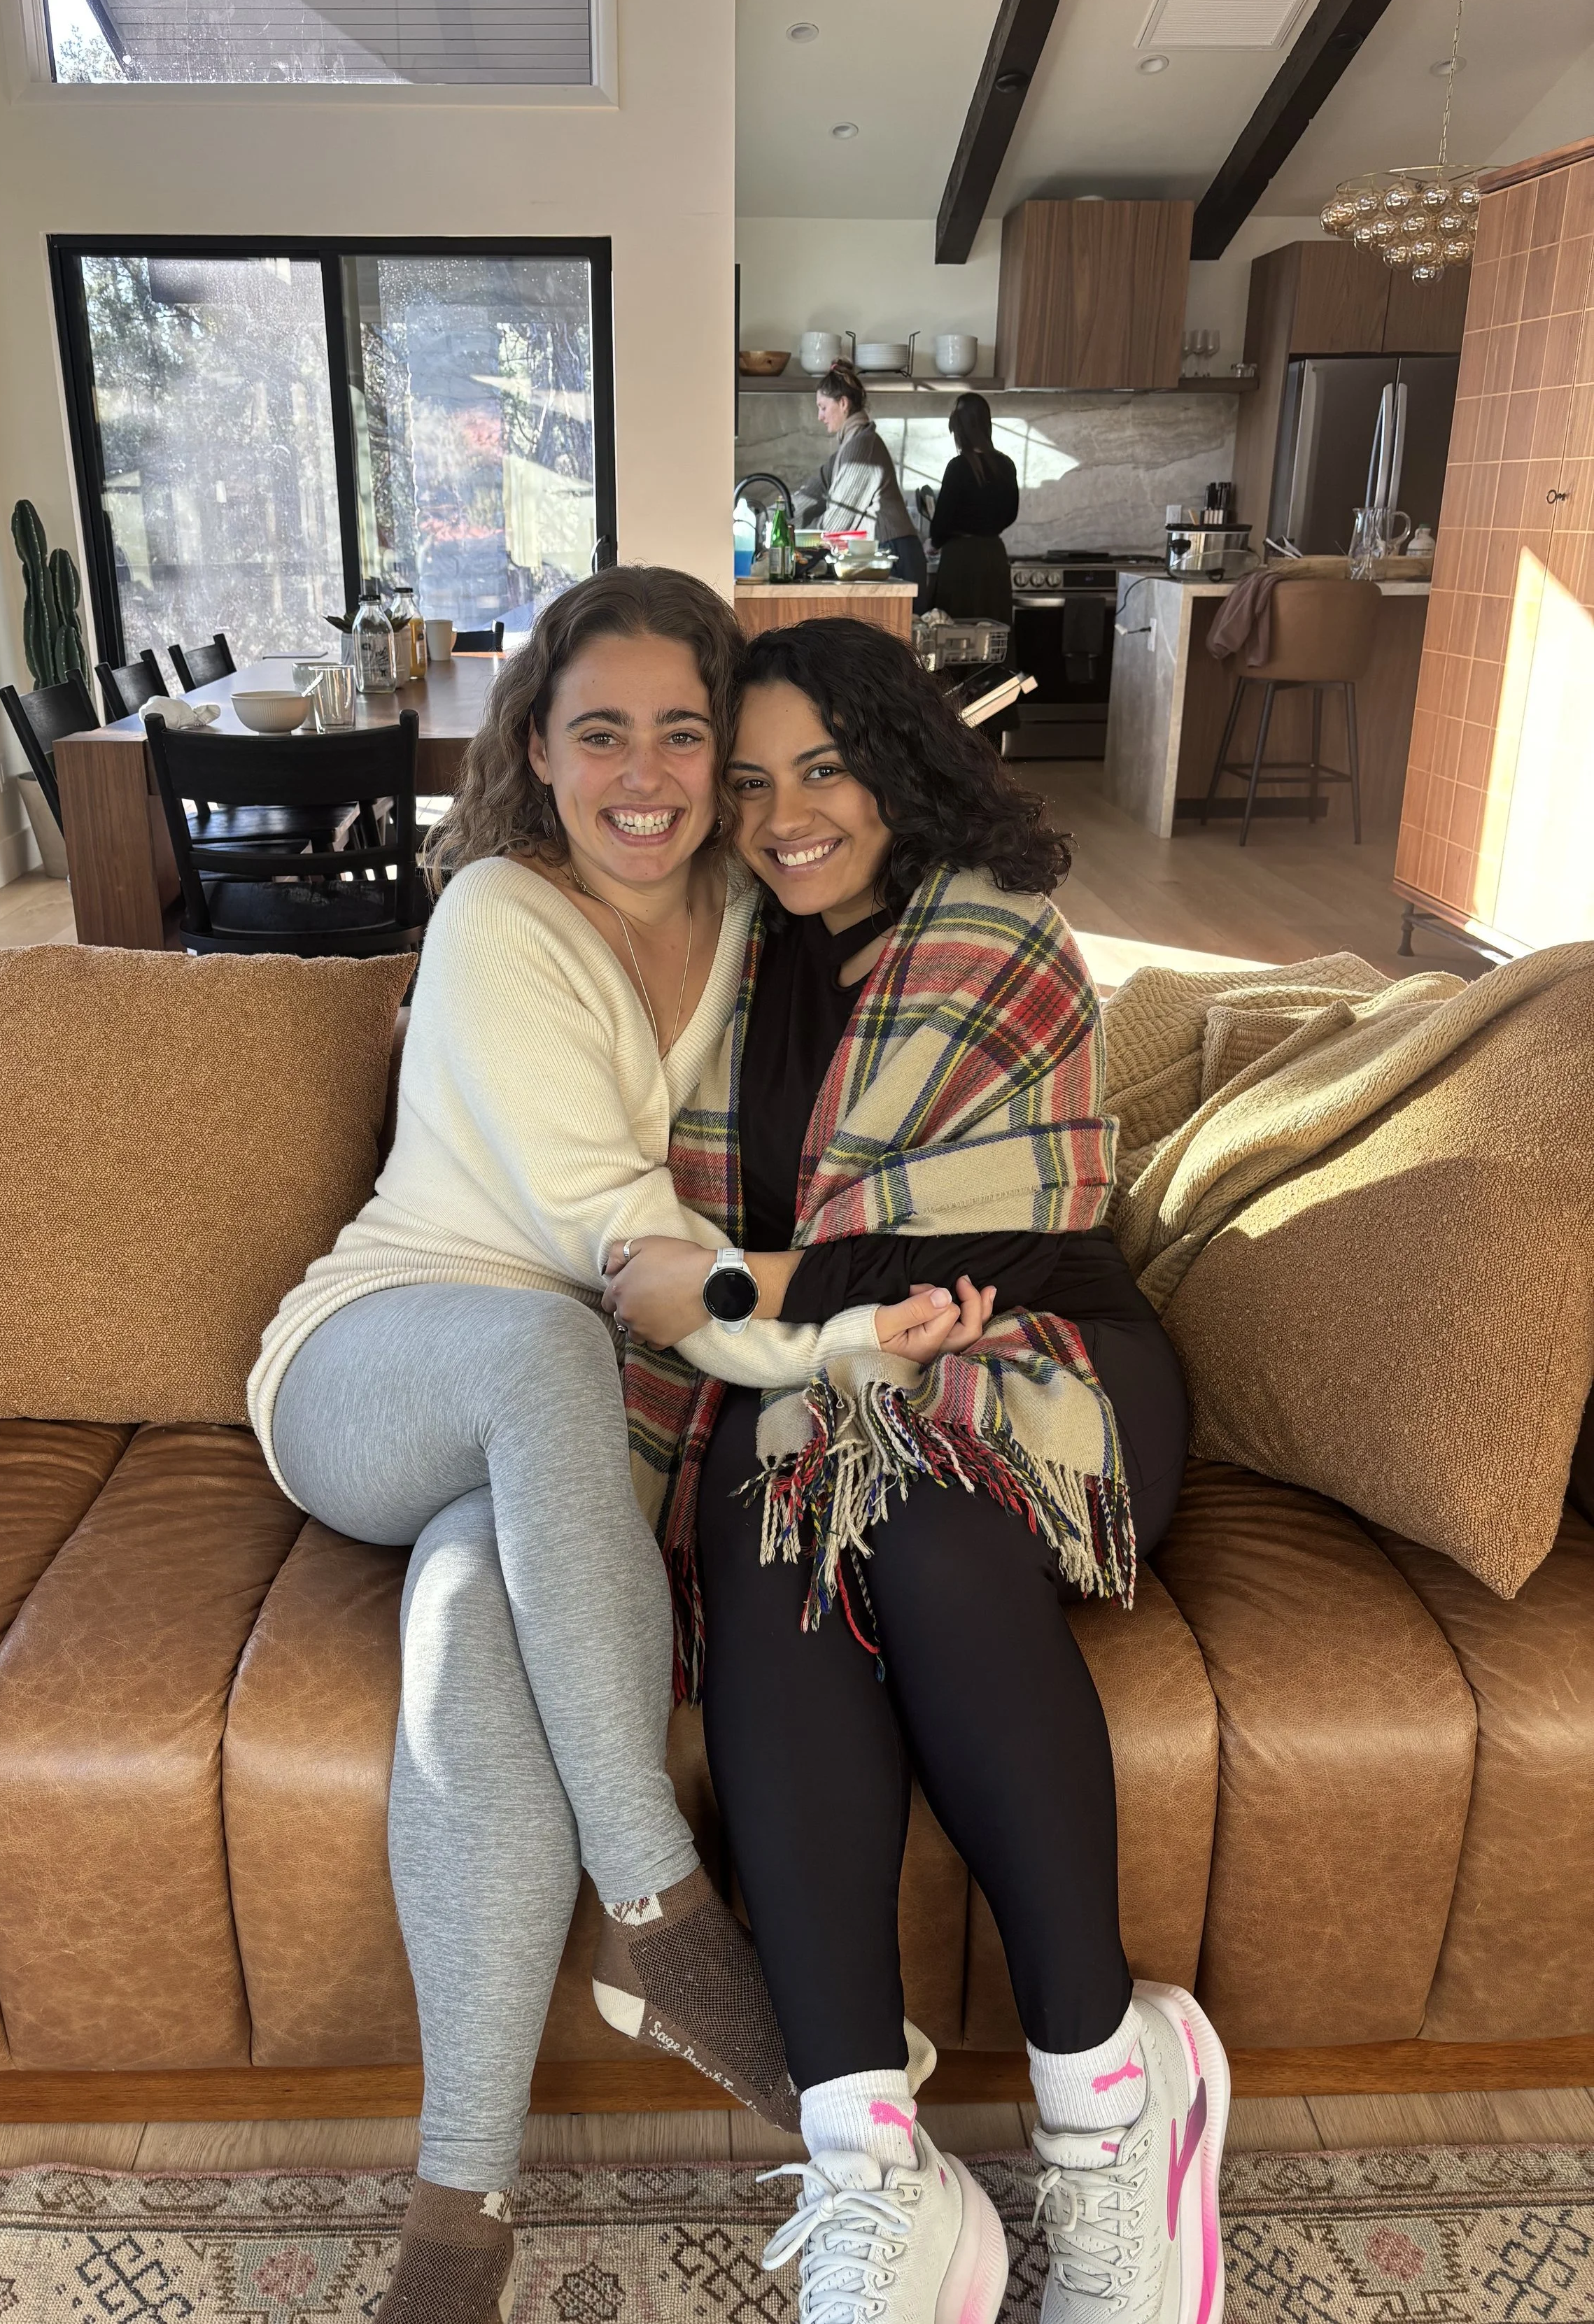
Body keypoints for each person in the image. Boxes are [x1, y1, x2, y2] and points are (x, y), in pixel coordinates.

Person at [246, 569, 948, 2324]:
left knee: (469, 1631)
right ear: (539, 751)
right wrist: (839, 1333)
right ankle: (665, 1910)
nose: (645, 773)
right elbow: (623, 1243)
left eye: (683, 733)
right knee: (549, 1340)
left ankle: (455, 2219)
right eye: (601, 732)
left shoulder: (745, 907)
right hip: (375, 1364)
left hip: (553, 1436)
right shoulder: (501, 908)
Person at [605, 618, 1222, 2324]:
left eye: (824, 768)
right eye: (748, 784)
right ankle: (872, 2156)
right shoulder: (720, 962)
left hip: (1049, 1351)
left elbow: (973, 1249)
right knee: (767, 1501)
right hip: (822, 1373)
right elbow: (664, 1237)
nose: (785, 816)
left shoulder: (995, 930)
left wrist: (741, 1284)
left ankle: (1111, 2101)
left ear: (899, 762)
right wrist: (770, 1304)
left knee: (930, 1536)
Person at [794, 359, 926, 602]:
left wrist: (794, 542)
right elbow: (810, 495)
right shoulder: (849, 447)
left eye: (823, 407)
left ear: (843, 404)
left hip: (894, 555)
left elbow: (835, 524)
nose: (820, 416)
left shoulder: (862, 447)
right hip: (883, 554)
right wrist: (767, 519)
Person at [926, 390, 1019, 624]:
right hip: (994, 558)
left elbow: (943, 520)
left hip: (961, 562)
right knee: (995, 631)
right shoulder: (1006, 465)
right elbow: (1011, 514)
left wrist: (934, 543)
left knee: (957, 632)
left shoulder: (958, 468)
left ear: (960, 430)